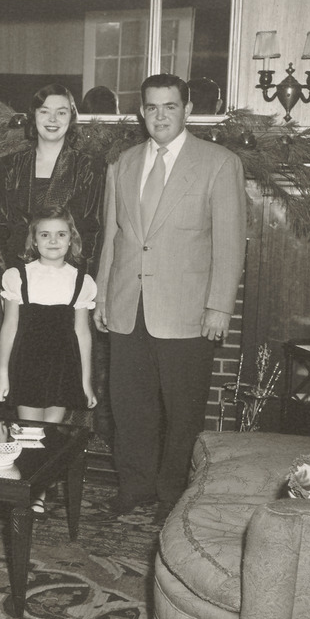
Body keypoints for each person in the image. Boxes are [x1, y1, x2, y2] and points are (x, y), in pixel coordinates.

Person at [94, 73, 246, 522]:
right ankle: (134, 485)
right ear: (142, 112)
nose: (161, 115)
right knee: (130, 406)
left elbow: (230, 242)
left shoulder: (219, 163)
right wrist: (103, 297)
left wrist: (219, 306)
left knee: (182, 410)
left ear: (188, 110)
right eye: (153, 107)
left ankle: (171, 494)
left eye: (171, 106)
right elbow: (114, 238)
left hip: (187, 309)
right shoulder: (122, 163)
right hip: (128, 305)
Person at [0, 83, 104, 284]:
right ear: (34, 116)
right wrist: (7, 283)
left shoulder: (87, 167)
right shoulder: (10, 165)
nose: (52, 119)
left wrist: (80, 285)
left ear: (71, 117)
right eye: (45, 111)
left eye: (61, 112)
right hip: (17, 279)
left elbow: (92, 231)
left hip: (67, 280)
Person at [0, 206, 98, 423]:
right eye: (44, 235)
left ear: (71, 239)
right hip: (27, 366)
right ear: (34, 240)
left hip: (63, 368)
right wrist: (2, 373)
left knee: (51, 435)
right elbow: (9, 326)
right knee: (30, 431)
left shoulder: (80, 281)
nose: (53, 240)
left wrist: (85, 381)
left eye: (61, 234)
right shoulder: (18, 276)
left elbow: (83, 333)